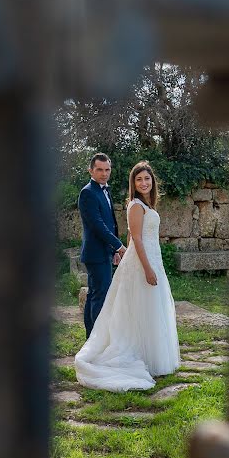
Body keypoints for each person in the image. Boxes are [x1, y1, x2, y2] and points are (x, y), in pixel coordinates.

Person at [75, 161, 180, 391]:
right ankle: (101, 343)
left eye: (147, 179)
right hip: (143, 261)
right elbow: (136, 239)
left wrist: (124, 254)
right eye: (139, 179)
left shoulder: (146, 205)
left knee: (150, 307)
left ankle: (151, 353)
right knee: (105, 297)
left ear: (153, 182)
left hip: (151, 258)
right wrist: (145, 267)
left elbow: (134, 237)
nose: (144, 182)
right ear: (133, 183)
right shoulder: (134, 205)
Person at [78, 153, 126, 338]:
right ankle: (97, 341)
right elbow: (97, 225)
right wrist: (119, 246)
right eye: (99, 169)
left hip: (103, 251)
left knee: (94, 295)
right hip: (95, 254)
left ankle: (91, 340)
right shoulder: (88, 192)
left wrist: (113, 249)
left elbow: (111, 223)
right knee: (100, 296)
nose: (104, 173)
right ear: (91, 170)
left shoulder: (104, 190)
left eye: (107, 169)